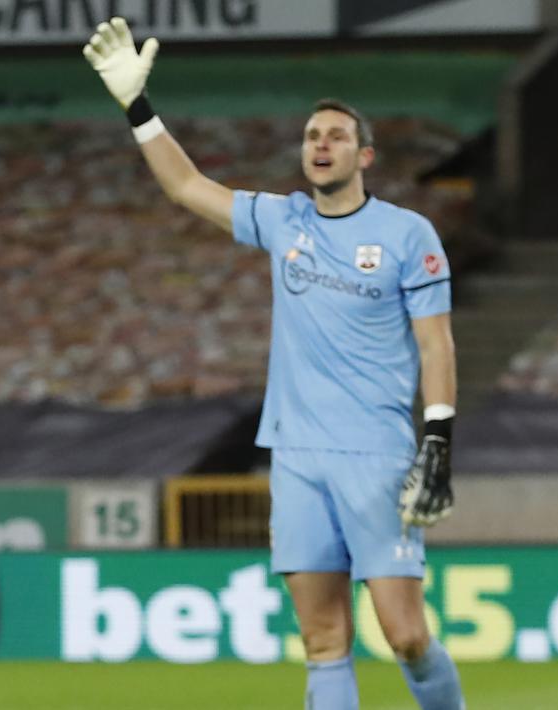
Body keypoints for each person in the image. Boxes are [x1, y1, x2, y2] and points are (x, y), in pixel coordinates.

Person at [84, 18, 463, 710]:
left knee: (405, 634)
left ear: (364, 155)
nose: (320, 144)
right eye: (312, 135)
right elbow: (186, 187)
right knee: (322, 640)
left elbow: (436, 343)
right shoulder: (283, 218)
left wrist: (437, 433)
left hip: (376, 453)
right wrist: (138, 109)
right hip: (294, 455)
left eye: (336, 135)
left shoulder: (408, 234)